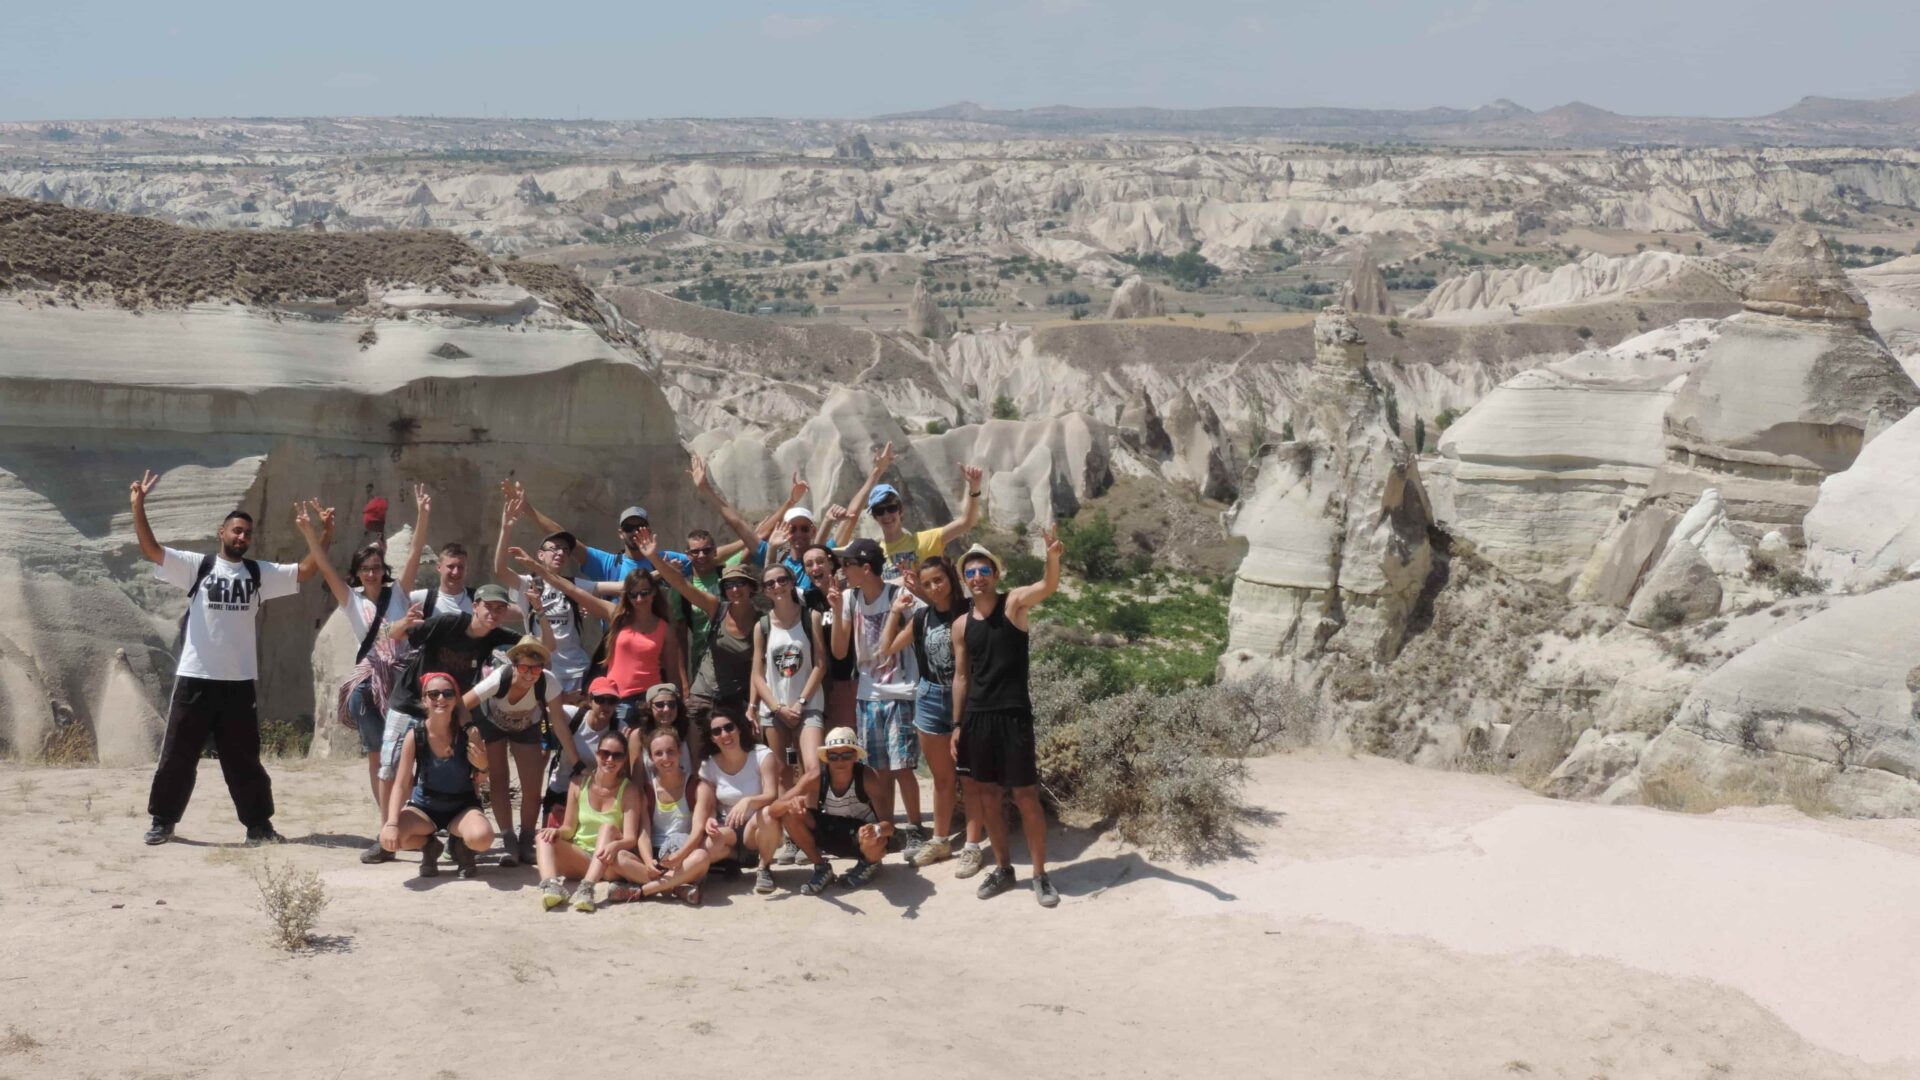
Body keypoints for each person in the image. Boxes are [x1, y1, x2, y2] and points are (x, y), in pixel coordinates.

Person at [131, 472, 329, 847]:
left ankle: (259, 826)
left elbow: (305, 570)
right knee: (177, 756)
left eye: (247, 534)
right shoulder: (197, 567)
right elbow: (152, 550)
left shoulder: (258, 574)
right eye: (236, 531)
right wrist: (138, 506)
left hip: (238, 683)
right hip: (195, 677)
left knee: (244, 761)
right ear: (221, 532)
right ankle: (162, 821)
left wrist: (324, 533)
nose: (242, 537)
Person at [296, 488, 431, 863]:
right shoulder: (351, 600)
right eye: (365, 569)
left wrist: (422, 515)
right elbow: (322, 565)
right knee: (379, 758)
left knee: (413, 756)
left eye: (377, 568)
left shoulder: (399, 592)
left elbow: (417, 551)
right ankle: (387, 825)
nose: (372, 574)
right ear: (356, 574)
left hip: (406, 685)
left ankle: (408, 822)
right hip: (372, 687)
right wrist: (311, 534)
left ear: (384, 571)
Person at [951, 532, 1064, 908]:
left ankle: (1040, 874)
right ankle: (1003, 867)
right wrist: (956, 725)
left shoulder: (1013, 604)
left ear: (996, 575)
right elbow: (962, 677)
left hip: (1013, 715)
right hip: (977, 718)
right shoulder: (962, 625)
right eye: (971, 572)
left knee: (1026, 795)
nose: (978, 576)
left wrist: (1051, 557)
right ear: (965, 580)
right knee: (986, 797)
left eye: (984, 570)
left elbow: (1048, 586)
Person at [881, 556, 982, 869]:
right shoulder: (922, 618)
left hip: (964, 699)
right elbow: (887, 648)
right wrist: (895, 612)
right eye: (927, 584)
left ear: (950, 578)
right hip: (929, 698)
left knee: (970, 777)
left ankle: (973, 844)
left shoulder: (970, 611)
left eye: (939, 579)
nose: (934, 587)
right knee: (941, 778)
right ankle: (940, 841)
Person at [514, 549, 686, 732]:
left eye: (644, 593)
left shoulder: (664, 628)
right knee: (618, 753)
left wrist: (679, 704)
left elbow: (673, 672)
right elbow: (571, 590)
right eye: (633, 594)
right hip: (616, 700)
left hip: (651, 700)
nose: (639, 599)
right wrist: (536, 568)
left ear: (653, 593)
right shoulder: (616, 615)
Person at [828, 538, 926, 854]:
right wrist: (837, 610)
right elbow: (840, 650)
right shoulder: (850, 598)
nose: (843, 571)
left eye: (848, 565)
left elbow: (924, 621)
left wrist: (898, 633)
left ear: (865, 568)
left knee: (902, 767)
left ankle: (915, 828)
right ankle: (888, 828)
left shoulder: (898, 596)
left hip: (900, 691)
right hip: (867, 694)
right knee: (878, 769)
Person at [378, 582, 521, 798]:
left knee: (448, 769)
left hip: (446, 710)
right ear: (475, 606)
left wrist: (538, 610)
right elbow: (391, 633)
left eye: (499, 608)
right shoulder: (448, 623)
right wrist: (403, 622)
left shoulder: (496, 636)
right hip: (409, 703)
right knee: (392, 769)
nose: (493, 613)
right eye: (488, 606)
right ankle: (388, 826)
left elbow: (543, 647)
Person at [463, 637, 568, 867]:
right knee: (499, 780)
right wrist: (469, 730)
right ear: (514, 665)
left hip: (527, 725)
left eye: (536, 668)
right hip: (492, 723)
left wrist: (576, 760)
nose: (530, 674)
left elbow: (559, 722)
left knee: (532, 785)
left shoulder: (548, 682)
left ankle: (527, 839)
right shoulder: (499, 678)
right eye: (524, 668)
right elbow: (463, 703)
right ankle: (509, 839)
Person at [381, 672, 493, 879]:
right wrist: (392, 823)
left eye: (448, 694)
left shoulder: (470, 734)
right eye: (433, 694)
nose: (441, 699)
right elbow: (401, 783)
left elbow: (481, 780)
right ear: (424, 699)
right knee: (391, 837)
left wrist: (483, 767)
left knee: (482, 838)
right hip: (425, 807)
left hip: (462, 806)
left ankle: (462, 846)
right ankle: (430, 846)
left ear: (456, 700)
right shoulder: (415, 735)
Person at [647, 532, 759, 731]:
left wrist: (753, 705)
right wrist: (654, 558)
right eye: (730, 585)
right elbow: (682, 585)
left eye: (740, 583)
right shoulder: (717, 607)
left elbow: (760, 669)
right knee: (696, 746)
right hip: (704, 690)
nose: (735, 589)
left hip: (736, 696)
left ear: (751, 587)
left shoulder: (762, 622)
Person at [767, 727, 894, 896]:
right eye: (833, 756)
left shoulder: (868, 778)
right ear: (826, 758)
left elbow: (889, 826)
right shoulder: (815, 777)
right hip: (831, 830)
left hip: (862, 835)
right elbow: (774, 809)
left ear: (855, 756)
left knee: (875, 839)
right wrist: (790, 804)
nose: (840, 761)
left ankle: (869, 863)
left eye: (846, 755)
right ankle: (821, 867)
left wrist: (875, 830)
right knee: (789, 814)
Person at [493, 493, 598, 697]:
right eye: (554, 548)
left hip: (577, 670)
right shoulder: (529, 583)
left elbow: (612, 587)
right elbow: (500, 571)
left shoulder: (573, 585)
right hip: (542, 670)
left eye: (565, 550)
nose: (560, 553)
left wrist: (657, 572)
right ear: (540, 555)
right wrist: (506, 528)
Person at [534, 730, 647, 913]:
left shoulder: (629, 790)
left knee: (608, 828)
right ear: (597, 754)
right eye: (605, 753)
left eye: (617, 755)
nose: (610, 759)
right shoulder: (578, 783)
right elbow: (569, 829)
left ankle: (587, 887)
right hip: (581, 857)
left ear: (624, 759)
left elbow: (630, 838)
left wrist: (614, 846)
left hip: (607, 861)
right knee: (543, 836)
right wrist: (556, 832)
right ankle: (551, 885)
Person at [842, 441, 986, 581]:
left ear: (901, 510)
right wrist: (877, 471)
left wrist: (974, 489)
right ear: (874, 517)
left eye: (891, 508)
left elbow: (967, 522)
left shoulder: (925, 541)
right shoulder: (872, 554)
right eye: (880, 511)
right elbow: (850, 518)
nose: (886, 515)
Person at [676, 455, 765, 677]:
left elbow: (753, 539)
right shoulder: (682, 589)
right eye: (695, 552)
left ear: (715, 551)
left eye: (707, 550)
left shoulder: (726, 572)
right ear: (688, 555)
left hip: (738, 658)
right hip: (703, 665)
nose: (702, 556)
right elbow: (678, 639)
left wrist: (789, 505)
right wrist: (684, 684)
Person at [507, 479, 689, 583]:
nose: (634, 532)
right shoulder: (609, 565)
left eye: (639, 527)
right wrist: (528, 510)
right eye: (628, 528)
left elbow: (707, 558)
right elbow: (563, 536)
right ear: (620, 532)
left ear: (649, 530)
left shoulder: (667, 560)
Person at [607, 727, 711, 905]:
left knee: (701, 857)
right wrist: (648, 861)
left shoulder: (699, 787)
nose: (666, 758)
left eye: (671, 752)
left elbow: (698, 831)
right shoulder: (647, 789)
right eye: (659, 753)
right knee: (618, 858)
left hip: (683, 854)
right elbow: (644, 832)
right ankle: (677, 886)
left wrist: (679, 855)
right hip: (654, 857)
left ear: (679, 752)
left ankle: (642, 891)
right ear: (651, 757)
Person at [689, 703, 782, 895]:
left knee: (767, 814)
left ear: (739, 728)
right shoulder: (709, 764)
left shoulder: (761, 755)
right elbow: (709, 803)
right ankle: (737, 858)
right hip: (728, 826)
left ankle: (764, 867)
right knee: (706, 849)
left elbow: (772, 794)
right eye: (716, 731)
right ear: (712, 738)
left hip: (756, 826)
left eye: (729, 727)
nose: (724, 734)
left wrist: (747, 801)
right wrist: (710, 819)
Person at [545, 676, 618, 824]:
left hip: (595, 798)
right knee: (550, 841)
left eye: (611, 701)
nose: (606, 705)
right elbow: (543, 705)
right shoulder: (573, 716)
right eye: (600, 699)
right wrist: (563, 697)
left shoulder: (620, 728)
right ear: (590, 700)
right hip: (561, 790)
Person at [411, 542, 475, 617]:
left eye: (460, 567)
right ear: (439, 567)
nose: (455, 572)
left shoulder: (477, 600)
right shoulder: (421, 598)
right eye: (451, 566)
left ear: (466, 569)